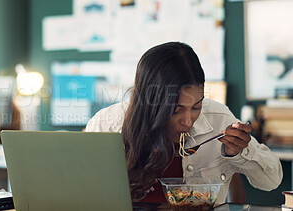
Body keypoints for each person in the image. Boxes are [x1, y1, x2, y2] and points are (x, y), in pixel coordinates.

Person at [85, 42, 282, 204]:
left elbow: (271, 181)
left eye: (196, 106)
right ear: (149, 102)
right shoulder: (106, 126)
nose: (188, 121)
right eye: (176, 110)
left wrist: (240, 153)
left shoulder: (218, 119)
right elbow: (82, 195)